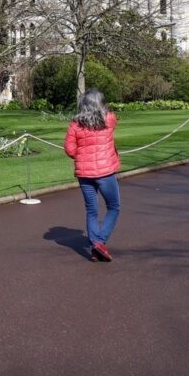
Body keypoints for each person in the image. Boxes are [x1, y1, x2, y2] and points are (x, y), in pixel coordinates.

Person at [64, 88, 121, 261]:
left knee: (92, 210)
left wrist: (80, 155)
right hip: (105, 172)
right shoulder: (109, 119)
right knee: (114, 207)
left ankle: (96, 242)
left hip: (84, 173)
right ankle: (99, 241)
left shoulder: (75, 124)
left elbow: (69, 148)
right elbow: (110, 117)